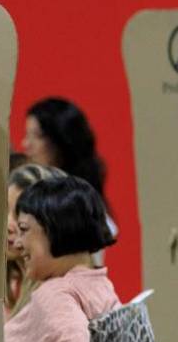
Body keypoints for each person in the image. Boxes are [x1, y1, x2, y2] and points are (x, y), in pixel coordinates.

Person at [4, 177, 120, 342]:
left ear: (55, 228)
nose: (18, 243)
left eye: (24, 229)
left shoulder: (57, 294)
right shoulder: (98, 284)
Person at [22, 98, 119, 257]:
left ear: (61, 142)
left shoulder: (87, 212)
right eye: (27, 135)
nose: (26, 144)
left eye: (36, 136)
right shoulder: (25, 192)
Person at [4, 164, 68, 319]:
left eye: (20, 214)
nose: (7, 226)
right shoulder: (11, 287)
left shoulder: (60, 301)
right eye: (4, 210)